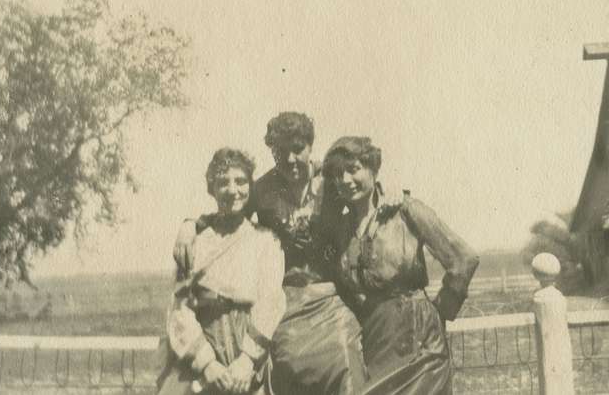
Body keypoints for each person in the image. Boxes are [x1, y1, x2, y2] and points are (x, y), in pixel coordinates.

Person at [177, 112, 368, 394]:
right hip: (287, 300)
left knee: (346, 364)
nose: (290, 159)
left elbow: (366, 194)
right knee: (282, 365)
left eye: (297, 149)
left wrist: (386, 193)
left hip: (330, 298)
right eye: (280, 151)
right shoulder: (263, 188)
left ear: (310, 147)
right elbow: (230, 206)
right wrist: (190, 225)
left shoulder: (332, 182)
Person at [321, 136, 480, 395]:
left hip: (420, 345)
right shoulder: (340, 231)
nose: (346, 180)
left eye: (353, 169)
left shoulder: (405, 211)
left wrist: (439, 313)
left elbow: (464, 259)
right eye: (338, 174)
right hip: (374, 341)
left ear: (373, 168)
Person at [159, 148, 285, 395]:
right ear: (211, 189)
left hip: (248, 359)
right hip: (201, 356)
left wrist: (247, 361)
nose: (233, 190)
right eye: (223, 183)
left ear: (250, 185)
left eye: (240, 181)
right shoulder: (194, 241)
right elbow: (179, 308)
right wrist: (207, 364)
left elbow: (270, 303)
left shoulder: (266, 241)